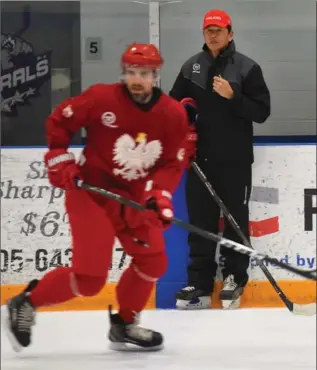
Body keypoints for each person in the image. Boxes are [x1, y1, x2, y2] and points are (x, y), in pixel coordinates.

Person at [4, 43, 196, 352]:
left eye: (144, 74)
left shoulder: (172, 114)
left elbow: (172, 163)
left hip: (132, 198)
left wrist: (159, 195)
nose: (137, 80)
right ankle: (25, 303)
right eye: (131, 72)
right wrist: (59, 158)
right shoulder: (101, 98)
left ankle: (125, 324)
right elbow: (59, 122)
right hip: (92, 193)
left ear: (155, 76)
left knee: (154, 261)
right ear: (123, 73)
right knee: (89, 281)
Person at [169, 9, 271, 310]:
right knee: (199, 222)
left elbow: (262, 112)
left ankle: (234, 278)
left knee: (235, 222)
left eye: (218, 29)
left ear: (230, 33)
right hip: (199, 161)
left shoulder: (247, 68)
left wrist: (233, 97)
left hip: (235, 161)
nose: (212, 35)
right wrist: (184, 121)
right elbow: (174, 107)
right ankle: (199, 283)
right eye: (207, 30)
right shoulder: (192, 67)